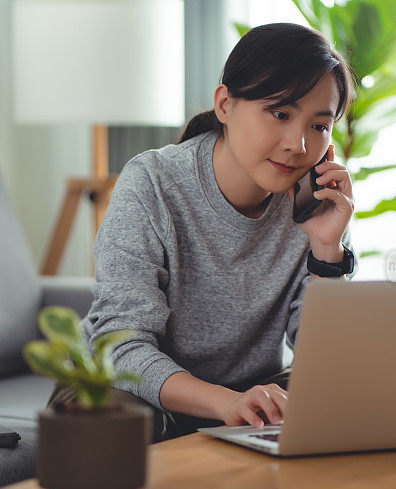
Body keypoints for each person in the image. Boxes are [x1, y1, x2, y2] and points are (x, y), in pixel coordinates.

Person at [48, 22, 357, 443]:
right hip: (131, 392)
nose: (298, 145)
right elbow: (122, 347)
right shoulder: (152, 182)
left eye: (319, 126)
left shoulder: (316, 204)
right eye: (280, 113)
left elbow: (327, 360)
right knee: (115, 418)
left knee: (354, 394)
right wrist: (224, 403)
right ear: (225, 105)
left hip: (249, 394)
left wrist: (326, 249)